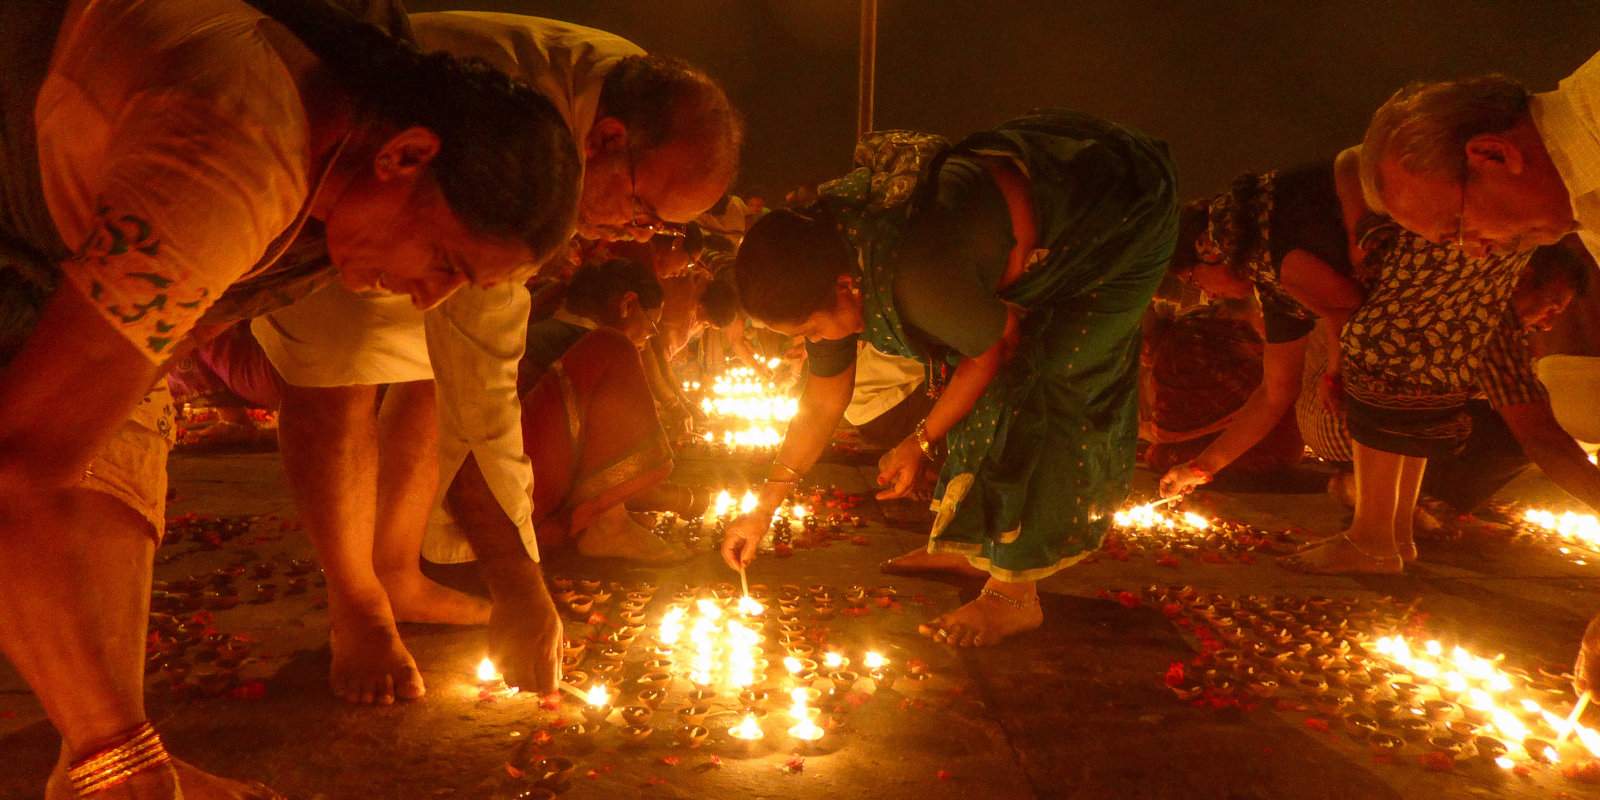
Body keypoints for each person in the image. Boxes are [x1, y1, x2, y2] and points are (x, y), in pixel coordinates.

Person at [0, 0, 580, 796]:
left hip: (52, 221)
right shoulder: (234, 162)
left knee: (126, 420)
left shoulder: (352, 120)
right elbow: (20, 469)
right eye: (446, 262)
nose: (429, 299)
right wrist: (117, 755)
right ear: (408, 156)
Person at [245, 13, 742, 705]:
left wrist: (520, 579)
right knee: (339, 366)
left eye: (661, 227)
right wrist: (518, 584)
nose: (640, 233)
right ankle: (355, 603)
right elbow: (485, 364)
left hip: (438, 199)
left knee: (430, 373)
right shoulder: (520, 130)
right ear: (607, 140)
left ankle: (397, 571)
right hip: (343, 180)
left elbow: (472, 365)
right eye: (641, 209)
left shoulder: (629, 98)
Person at [723, 112, 1178, 648]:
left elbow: (992, 352)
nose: (814, 342)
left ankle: (1015, 596)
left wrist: (918, 440)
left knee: (1040, 380)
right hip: (1004, 240)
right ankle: (963, 546)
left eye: (810, 329)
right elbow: (823, 401)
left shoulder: (919, 280)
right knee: (958, 383)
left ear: (846, 287)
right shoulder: (827, 256)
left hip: (1115, 219)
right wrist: (762, 507)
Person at [1298, 244, 1598, 524]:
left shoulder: (1446, 277)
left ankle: (1370, 490)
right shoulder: (1487, 314)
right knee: (1513, 432)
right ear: (1521, 279)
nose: (1547, 325)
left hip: (1333, 420)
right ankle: (1399, 502)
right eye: (1552, 308)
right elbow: (1540, 435)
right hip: (1358, 423)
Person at [1155, 156, 1371, 498]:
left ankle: (1384, 516)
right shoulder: (1272, 285)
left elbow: (1347, 303)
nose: (1206, 294)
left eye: (1193, 280)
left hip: (1429, 285)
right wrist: (1200, 469)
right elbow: (1274, 392)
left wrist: (1334, 373)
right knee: (1328, 419)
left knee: (1329, 424)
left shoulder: (1273, 251)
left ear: (1208, 250)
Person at [504, 258, 697, 563]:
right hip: (517, 485)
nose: (649, 339)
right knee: (615, 347)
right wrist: (681, 499)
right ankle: (610, 525)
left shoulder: (559, 334)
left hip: (528, 481)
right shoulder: (593, 345)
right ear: (628, 304)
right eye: (651, 325)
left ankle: (612, 519)